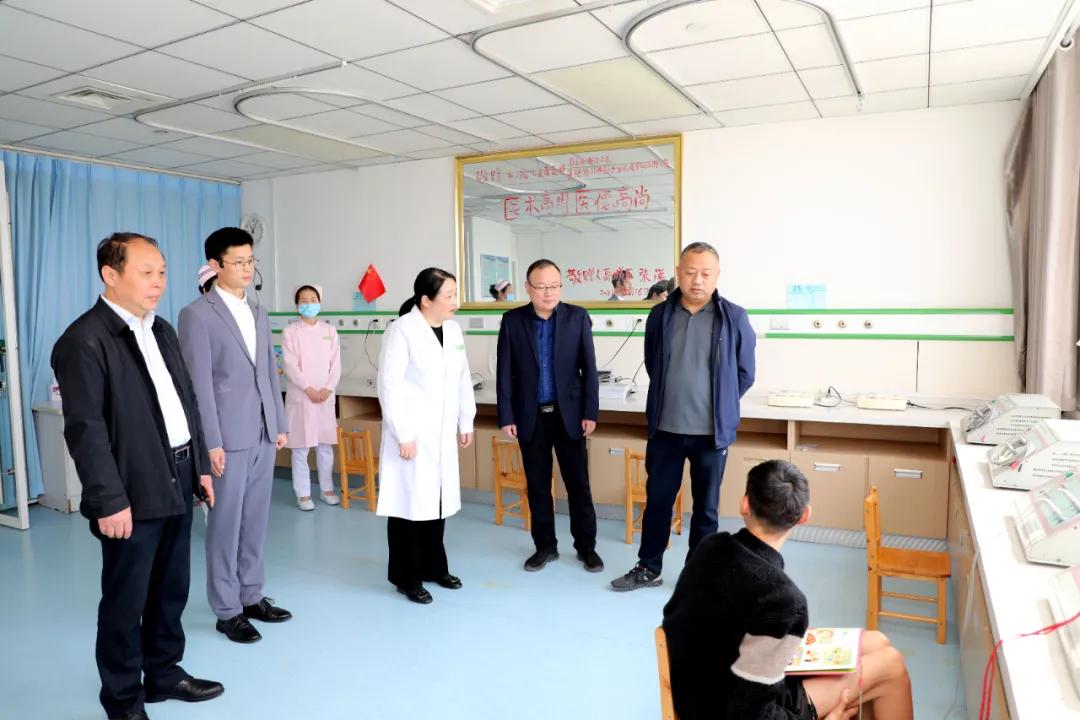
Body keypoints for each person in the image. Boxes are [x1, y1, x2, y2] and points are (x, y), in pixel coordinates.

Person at [51, 232, 223, 720]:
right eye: (146, 273)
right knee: (126, 600)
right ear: (111, 275)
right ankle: (124, 698)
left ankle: (164, 674)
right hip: (130, 487)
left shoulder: (160, 329)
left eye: (162, 272)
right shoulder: (84, 341)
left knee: (171, 588)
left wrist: (199, 468)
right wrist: (109, 500)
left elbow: (185, 401)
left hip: (179, 472)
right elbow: (86, 430)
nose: (158, 282)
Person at [662, 460, 913, 720]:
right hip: (730, 708)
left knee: (877, 642)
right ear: (804, 515)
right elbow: (752, 714)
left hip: (701, 686)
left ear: (744, 504)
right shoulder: (783, 600)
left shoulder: (710, 546)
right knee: (891, 666)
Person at [612, 241, 756, 591]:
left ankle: (698, 576)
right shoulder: (660, 315)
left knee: (706, 510)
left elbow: (745, 373)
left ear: (717, 276)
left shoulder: (733, 317)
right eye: (690, 272)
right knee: (658, 503)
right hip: (666, 430)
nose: (697, 280)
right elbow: (653, 362)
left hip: (711, 434)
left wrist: (719, 403)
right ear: (678, 273)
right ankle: (649, 568)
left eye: (706, 273)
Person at [178, 227, 292, 644]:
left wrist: (279, 423)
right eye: (238, 262)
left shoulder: (258, 311)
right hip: (226, 436)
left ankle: (251, 594)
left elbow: (269, 372)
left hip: (262, 431)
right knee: (225, 524)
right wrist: (211, 442)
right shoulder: (197, 315)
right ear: (215, 265)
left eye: (251, 261)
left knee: (256, 519)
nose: (247, 269)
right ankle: (226, 610)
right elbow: (199, 385)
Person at [377, 267, 476, 604]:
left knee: (437, 503)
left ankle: (435, 567)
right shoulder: (402, 330)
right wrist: (402, 434)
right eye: (449, 295)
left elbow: (462, 379)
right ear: (426, 300)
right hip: (412, 435)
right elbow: (389, 386)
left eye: (455, 293)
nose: (455, 301)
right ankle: (406, 577)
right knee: (409, 507)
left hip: (442, 433)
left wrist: (466, 420)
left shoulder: (453, 329)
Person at [496, 258, 602, 572]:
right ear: (528, 288)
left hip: (569, 416)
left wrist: (590, 412)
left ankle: (586, 548)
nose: (548, 292)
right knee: (538, 486)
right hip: (530, 417)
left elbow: (589, 369)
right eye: (541, 287)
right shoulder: (513, 321)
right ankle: (545, 547)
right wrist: (506, 415)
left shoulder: (577, 317)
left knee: (579, 485)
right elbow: (505, 372)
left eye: (554, 286)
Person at [281, 284, 341, 511]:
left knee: (325, 446)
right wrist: (308, 389)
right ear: (297, 305)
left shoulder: (329, 331)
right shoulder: (290, 332)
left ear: (320, 302)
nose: (309, 304)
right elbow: (290, 365)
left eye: (313, 299)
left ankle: (327, 489)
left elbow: (336, 364)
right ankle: (303, 494)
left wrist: (327, 389)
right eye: (304, 300)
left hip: (325, 397)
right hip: (301, 397)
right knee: (301, 447)